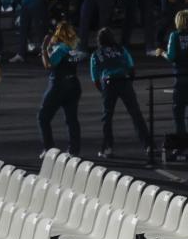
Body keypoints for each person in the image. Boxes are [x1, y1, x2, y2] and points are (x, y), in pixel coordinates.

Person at [90, 28, 150, 158]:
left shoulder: (96, 54)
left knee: (107, 117)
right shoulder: (121, 49)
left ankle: (107, 147)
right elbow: (131, 66)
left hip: (108, 83)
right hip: (124, 81)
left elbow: (95, 78)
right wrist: (128, 83)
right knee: (136, 114)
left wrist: (103, 91)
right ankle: (149, 145)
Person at [40, 21, 83, 154]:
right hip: (74, 84)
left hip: (59, 85)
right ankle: (74, 150)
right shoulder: (74, 48)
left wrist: (44, 49)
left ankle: (49, 148)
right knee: (71, 119)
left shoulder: (60, 48)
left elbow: (48, 65)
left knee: (43, 117)